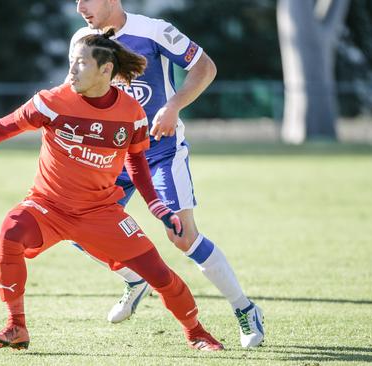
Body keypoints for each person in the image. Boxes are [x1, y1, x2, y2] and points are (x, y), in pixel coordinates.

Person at [0, 30, 224, 352]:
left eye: (80, 63)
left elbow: (136, 162)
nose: (71, 71)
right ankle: (16, 326)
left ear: (105, 69)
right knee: (10, 232)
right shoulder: (52, 102)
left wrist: (157, 206)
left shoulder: (131, 113)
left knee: (160, 275)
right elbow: (2, 126)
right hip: (47, 206)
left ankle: (196, 333)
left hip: (101, 213)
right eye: (71, 62)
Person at [71, 0, 264, 348]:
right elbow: (77, 96)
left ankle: (245, 309)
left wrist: (172, 106)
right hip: (112, 157)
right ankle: (135, 280)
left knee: (183, 237)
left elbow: (205, 67)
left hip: (160, 152)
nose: (80, 6)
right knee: (73, 225)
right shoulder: (82, 39)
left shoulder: (153, 30)